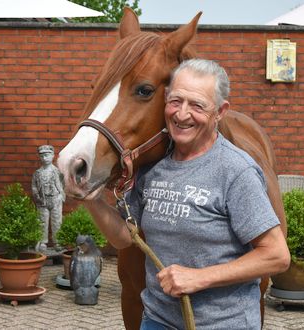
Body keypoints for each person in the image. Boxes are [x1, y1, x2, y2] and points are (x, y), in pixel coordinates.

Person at [82, 59, 290, 329]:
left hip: (223, 323)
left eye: (197, 105)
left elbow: (277, 255)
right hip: (157, 321)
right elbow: (124, 237)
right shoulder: (152, 168)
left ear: (220, 112)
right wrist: (92, 198)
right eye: (176, 101)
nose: (182, 114)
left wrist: (199, 278)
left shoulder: (235, 170)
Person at [32, 144, 65, 252]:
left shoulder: (57, 172)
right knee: (42, 221)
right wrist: (37, 196)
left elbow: (62, 184)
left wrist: (60, 196)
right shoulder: (37, 173)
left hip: (55, 199)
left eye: (47, 155)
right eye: (42, 156)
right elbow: (34, 186)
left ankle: (57, 241)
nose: (44, 158)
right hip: (43, 200)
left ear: (53, 156)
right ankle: (43, 242)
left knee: (57, 221)